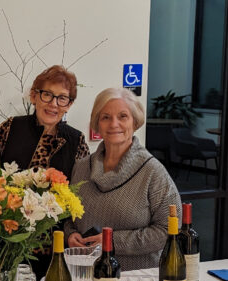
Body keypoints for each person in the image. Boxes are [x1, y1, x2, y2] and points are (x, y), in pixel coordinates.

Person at [66, 87, 181, 271]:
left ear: (135, 122)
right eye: (105, 117)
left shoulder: (153, 172)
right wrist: (70, 234)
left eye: (122, 116)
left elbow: (167, 230)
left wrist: (113, 241)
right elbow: (69, 217)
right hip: (85, 275)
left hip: (135, 278)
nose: (113, 124)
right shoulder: (81, 167)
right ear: (97, 123)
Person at [0, 64, 89, 277]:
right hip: (8, 239)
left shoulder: (76, 140)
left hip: (55, 244)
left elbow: (82, 193)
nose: (53, 104)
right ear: (34, 96)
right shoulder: (11, 128)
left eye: (62, 98)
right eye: (47, 95)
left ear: (69, 105)